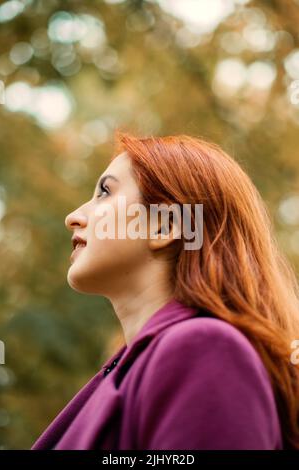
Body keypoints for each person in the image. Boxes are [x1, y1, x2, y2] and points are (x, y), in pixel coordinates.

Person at [31, 131, 299, 450]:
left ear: (163, 225)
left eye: (105, 192)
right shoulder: (130, 368)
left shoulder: (204, 348)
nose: (73, 218)